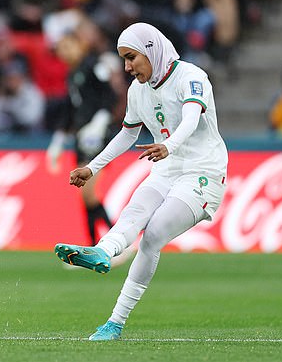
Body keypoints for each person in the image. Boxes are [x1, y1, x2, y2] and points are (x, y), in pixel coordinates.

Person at [54, 22, 228, 341]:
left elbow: (192, 118)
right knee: (134, 211)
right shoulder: (138, 90)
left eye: (131, 57)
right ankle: (102, 252)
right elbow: (127, 134)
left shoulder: (191, 77)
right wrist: (92, 167)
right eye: (123, 59)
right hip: (166, 167)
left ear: (150, 50)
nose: (127, 66)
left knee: (153, 235)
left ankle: (115, 321)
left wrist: (168, 145)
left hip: (203, 172)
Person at [47, 31, 117, 246]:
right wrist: (58, 141)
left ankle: (116, 241)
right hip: (81, 136)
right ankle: (93, 246)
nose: (64, 52)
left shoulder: (93, 66)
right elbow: (71, 109)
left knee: (88, 192)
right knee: (84, 195)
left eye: (68, 46)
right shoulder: (73, 74)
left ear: (80, 44)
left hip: (96, 135)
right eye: (61, 49)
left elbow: (110, 96)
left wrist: (100, 122)